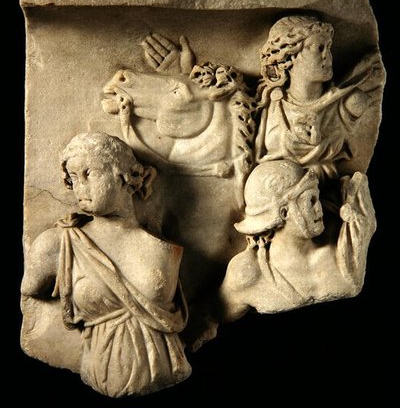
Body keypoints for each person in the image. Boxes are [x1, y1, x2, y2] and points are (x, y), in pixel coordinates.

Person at [21, 132, 191, 397]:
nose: (80, 187)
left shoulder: (162, 248)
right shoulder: (59, 244)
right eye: (74, 178)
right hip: (99, 368)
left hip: (166, 370)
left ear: (124, 176)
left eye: (89, 174)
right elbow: (31, 297)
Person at [218, 160, 376, 322]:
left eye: (317, 198)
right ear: (284, 213)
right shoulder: (248, 274)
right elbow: (213, 315)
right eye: (310, 200)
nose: (319, 207)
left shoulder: (343, 252)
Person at [255, 15, 379, 179]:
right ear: (289, 56)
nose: (327, 55)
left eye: (329, 47)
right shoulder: (272, 102)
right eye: (319, 48)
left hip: (325, 189)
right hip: (276, 187)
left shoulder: (350, 103)